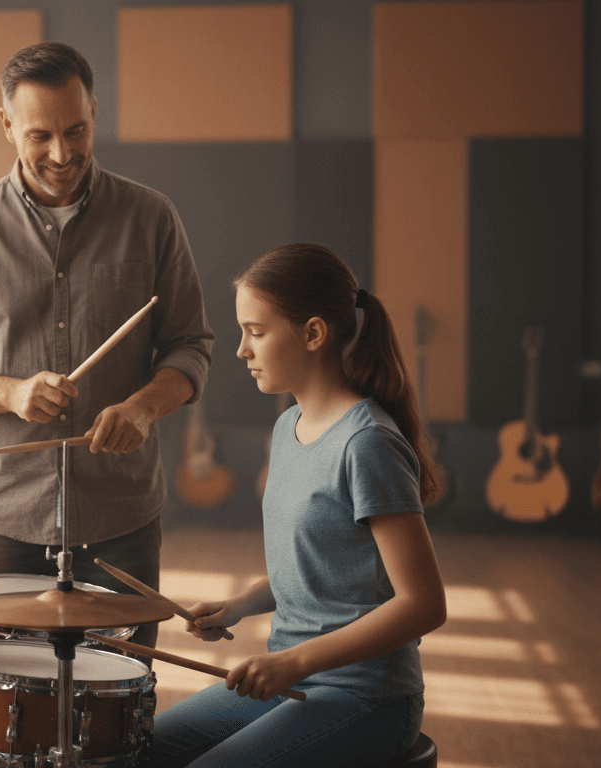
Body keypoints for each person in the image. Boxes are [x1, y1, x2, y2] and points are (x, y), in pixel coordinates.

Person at [0, 42, 214, 648]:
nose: (61, 152)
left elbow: (190, 348)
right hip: (5, 514)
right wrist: (10, 392)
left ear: (95, 112)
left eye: (76, 130)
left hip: (121, 511)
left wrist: (142, 407)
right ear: (6, 125)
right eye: (39, 135)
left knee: (120, 704)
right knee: (11, 708)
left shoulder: (152, 217)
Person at [146, 243, 448, 767]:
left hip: (367, 697)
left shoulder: (367, 442)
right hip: (297, 678)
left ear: (313, 333)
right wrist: (241, 603)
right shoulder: (288, 426)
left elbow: (423, 605)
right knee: (138, 748)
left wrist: (292, 661)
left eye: (256, 332)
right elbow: (327, 571)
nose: (241, 350)